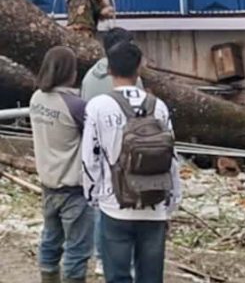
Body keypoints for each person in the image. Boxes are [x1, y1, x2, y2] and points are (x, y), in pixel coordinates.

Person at [82, 41, 181, 283]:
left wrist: (92, 195)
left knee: (117, 276)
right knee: (151, 277)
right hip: (155, 202)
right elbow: (172, 157)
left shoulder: (98, 106)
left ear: (109, 69)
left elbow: (89, 158)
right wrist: (173, 197)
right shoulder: (159, 106)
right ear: (139, 67)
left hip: (114, 202)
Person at [81, 27, 144, 277]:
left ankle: (101, 256)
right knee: (129, 207)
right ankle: (128, 260)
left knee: (101, 207)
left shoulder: (89, 77)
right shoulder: (132, 80)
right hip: (128, 150)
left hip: (100, 150)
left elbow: (85, 115)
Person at [30, 46, 93, 283]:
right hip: (74, 187)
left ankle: (48, 278)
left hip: (48, 183)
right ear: (71, 73)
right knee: (77, 249)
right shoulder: (76, 106)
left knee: (50, 240)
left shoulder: (36, 99)